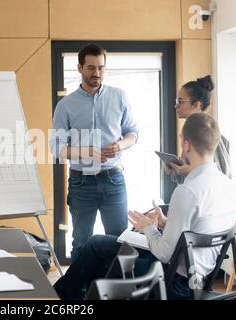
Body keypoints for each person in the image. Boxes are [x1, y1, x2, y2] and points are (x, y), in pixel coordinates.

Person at [53, 113, 236, 300]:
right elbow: (197, 230)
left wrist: (147, 227)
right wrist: (165, 223)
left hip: (173, 281)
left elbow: (165, 254)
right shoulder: (230, 187)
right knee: (97, 244)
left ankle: (58, 298)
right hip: (198, 276)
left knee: (100, 263)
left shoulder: (188, 192)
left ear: (186, 144)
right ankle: (63, 297)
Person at [49, 43, 139, 262]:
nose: (96, 73)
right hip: (82, 183)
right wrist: (86, 152)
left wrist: (121, 145)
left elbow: (133, 133)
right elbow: (56, 148)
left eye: (101, 67)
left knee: (120, 241)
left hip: (114, 180)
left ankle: (118, 292)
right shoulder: (66, 105)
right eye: (91, 68)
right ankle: (80, 294)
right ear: (80, 68)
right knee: (81, 242)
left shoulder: (120, 97)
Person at [167, 75, 232, 184]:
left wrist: (190, 170)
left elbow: (221, 175)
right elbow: (186, 178)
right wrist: (175, 170)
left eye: (180, 101)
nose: (176, 105)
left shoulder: (207, 133)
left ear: (196, 105)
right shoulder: (190, 132)